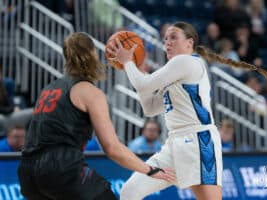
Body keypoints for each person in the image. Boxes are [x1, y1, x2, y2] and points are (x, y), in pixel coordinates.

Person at [108, 21, 267, 200]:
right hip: (174, 143)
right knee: (130, 191)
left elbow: (142, 84)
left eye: (174, 38)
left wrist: (129, 63)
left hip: (198, 141)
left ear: (189, 43)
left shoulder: (186, 62)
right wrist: (139, 73)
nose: (167, 42)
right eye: (166, 38)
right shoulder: (174, 73)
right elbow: (150, 108)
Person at [17, 32, 175, 200]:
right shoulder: (89, 91)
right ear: (93, 54)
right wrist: (149, 169)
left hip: (27, 172)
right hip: (60, 169)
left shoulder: (48, 89)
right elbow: (112, 148)